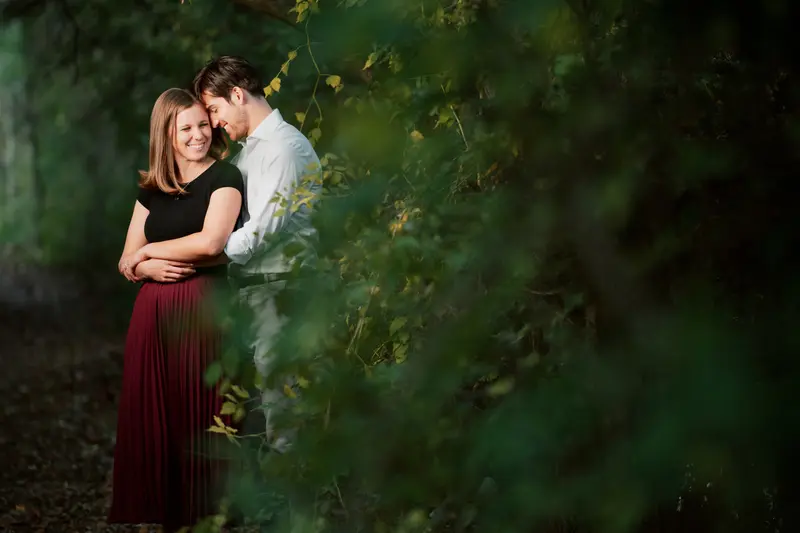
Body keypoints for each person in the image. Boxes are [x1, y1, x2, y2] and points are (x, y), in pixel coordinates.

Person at [122, 56, 322, 451]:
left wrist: (153, 254)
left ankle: (297, 505)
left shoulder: (283, 149)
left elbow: (255, 236)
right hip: (251, 290)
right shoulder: (247, 155)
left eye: (212, 111)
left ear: (236, 94)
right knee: (254, 406)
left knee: (284, 406)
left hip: (283, 287)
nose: (212, 125)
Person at [110, 88, 244, 532]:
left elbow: (211, 242)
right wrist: (141, 261)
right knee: (159, 421)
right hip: (152, 318)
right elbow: (126, 259)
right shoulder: (152, 188)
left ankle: (213, 520)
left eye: (203, 125)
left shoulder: (226, 177)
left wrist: (145, 254)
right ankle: (169, 519)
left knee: (204, 416)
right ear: (166, 134)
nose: (197, 135)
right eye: (185, 128)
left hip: (203, 309)